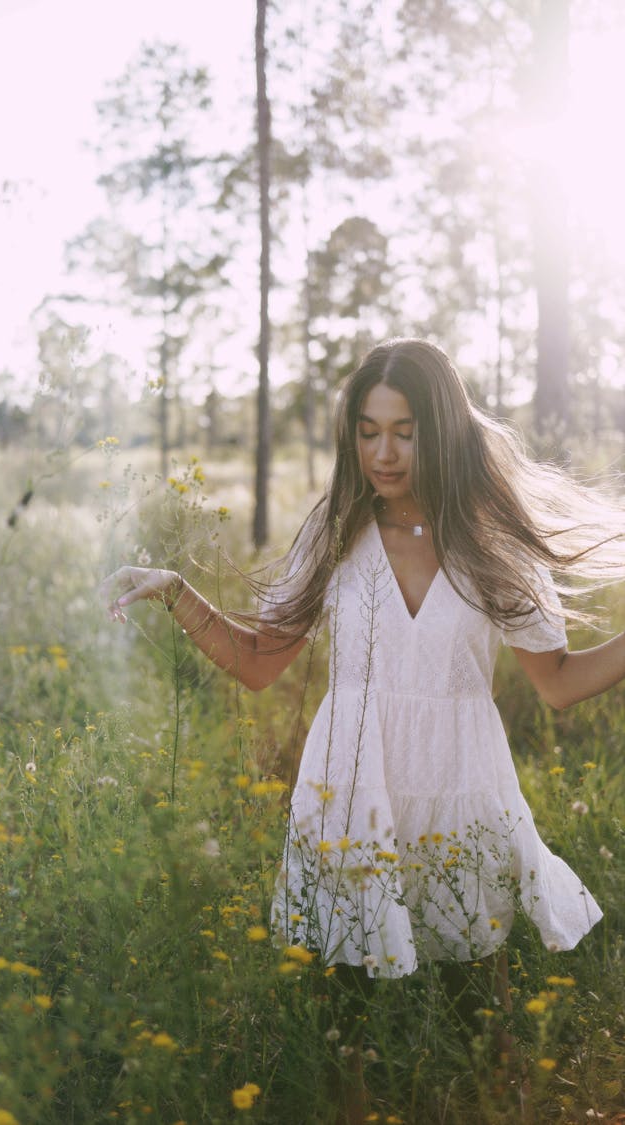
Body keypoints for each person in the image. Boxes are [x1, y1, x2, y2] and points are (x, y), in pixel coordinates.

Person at [100, 338, 625, 1123]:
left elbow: (558, 684)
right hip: (350, 791)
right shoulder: (335, 532)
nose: (383, 451)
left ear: (441, 429)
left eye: (406, 430)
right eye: (367, 429)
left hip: (459, 792)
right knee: (344, 1022)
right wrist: (176, 590)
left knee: (482, 1021)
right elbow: (257, 662)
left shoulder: (491, 544)